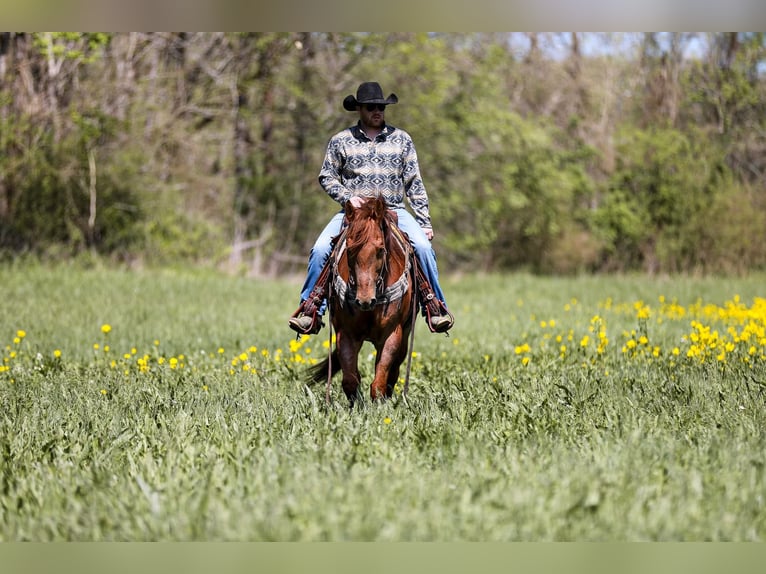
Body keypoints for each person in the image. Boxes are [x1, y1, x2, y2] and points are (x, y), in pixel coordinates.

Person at [289, 81, 453, 335]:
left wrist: (424, 221)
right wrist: (347, 197)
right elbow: (326, 176)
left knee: (422, 247)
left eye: (381, 106)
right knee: (320, 248)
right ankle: (310, 310)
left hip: (394, 210)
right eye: (371, 107)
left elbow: (414, 183)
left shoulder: (402, 140)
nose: (377, 111)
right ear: (359, 110)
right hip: (353, 214)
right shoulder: (341, 141)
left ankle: (435, 307)